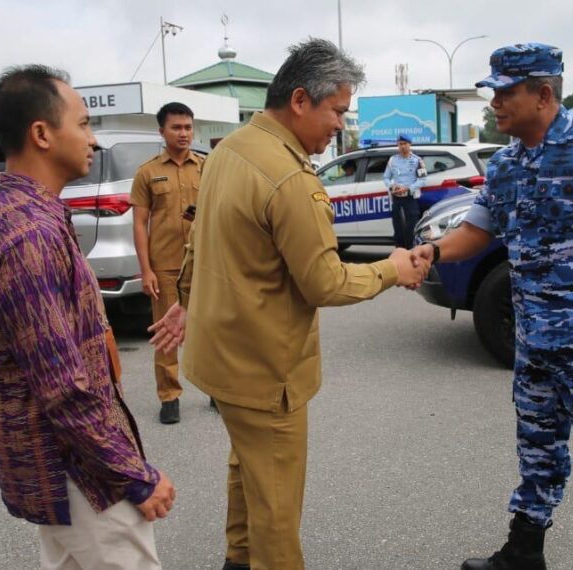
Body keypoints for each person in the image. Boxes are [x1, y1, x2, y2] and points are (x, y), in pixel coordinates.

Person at [150, 38, 427, 570]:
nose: (340, 128)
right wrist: (395, 268)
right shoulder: (289, 178)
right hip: (265, 368)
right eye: (337, 112)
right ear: (300, 100)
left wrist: (186, 301)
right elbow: (324, 283)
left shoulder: (230, 149)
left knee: (248, 472)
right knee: (276, 504)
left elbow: (197, 243)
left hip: (225, 362)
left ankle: (238, 559)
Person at [410, 43, 573, 570]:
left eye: (506, 92)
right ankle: (523, 551)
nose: (495, 103)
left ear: (544, 93)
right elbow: (475, 232)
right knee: (538, 452)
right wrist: (432, 252)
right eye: (493, 92)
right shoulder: (507, 163)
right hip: (533, 343)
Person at [0, 65, 174, 569]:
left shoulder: (35, 217)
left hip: (65, 468)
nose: (93, 139)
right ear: (42, 134)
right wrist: (134, 475)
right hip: (80, 475)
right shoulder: (30, 235)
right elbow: (62, 386)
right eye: (83, 124)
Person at [130, 101, 203, 425]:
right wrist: (146, 270)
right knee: (167, 334)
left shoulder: (205, 167)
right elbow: (139, 223)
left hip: (203, 263)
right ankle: (169, 396)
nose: (184, 133)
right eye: (176, 127)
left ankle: (215, 387)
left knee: (210, 330)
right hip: (167, 265)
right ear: (162, 132)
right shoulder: (147, 172)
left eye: (188, 127)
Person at [383, 133, 427, 248]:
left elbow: (423, 180)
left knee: (411, 231)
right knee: (398, 232)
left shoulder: (417, 161)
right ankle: (400, 257)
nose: (402, 146)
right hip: (396, 200)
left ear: (410, 144)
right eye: (400, 144)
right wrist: (392, 186)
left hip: (410, 199)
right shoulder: (392, 160)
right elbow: (386, 178)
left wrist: (408, 188)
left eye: (405, 144)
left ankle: (412, 255)